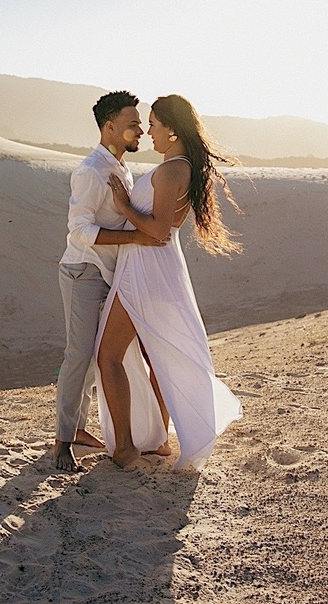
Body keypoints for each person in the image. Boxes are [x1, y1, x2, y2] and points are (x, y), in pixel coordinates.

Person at [94, 94, 244, 470]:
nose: (149, 131)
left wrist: (125, 205)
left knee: (107, 355)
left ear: (173, 129)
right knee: (157, 352)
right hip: (157, 268)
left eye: (155, 125)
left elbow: (159, 230)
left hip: (145, 268)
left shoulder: (172, 169)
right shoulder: (177, 167)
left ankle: (126, 448)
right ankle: (159, 437)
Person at [54, 91, 169, 472]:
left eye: (140, 123)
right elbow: (80, 230)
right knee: (79, 356)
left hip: (111, 273)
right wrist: (136, 237)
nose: (140, 129)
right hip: (84, 272)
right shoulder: (90, 171)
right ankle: (63, 441)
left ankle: (82, 429)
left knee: (97, 354)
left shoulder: (121, 168)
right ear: (109, 128)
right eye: (133, 124)